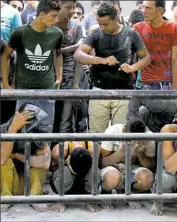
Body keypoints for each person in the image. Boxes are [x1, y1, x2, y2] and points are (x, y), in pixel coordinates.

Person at [74, 2, 151, 133]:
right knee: (96, 135)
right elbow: (78, 54)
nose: (102, 27)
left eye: (105, 24)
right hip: (99, 89)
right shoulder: (96, 34)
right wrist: (101, 60)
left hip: (124, 90)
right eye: (99, 24)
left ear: (115, 19)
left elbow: (147, 58)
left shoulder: (131, 34)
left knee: (121, 135)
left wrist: (132, 67)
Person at [1, 0, 64, 139]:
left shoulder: (57, 33)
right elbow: (5, 56)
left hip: (47, 91)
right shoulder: (20, 32)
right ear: (42, 14)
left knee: (45, 135)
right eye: (54, 16)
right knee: (22, 135)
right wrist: (5, 83)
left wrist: (59, 76)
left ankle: (42, 161)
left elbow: (58, 53)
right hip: (24, 91)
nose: (57, 19)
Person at [1, 104, 52, 212]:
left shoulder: (38, 132)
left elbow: (45, 162)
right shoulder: (4, 129)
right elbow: (2, 159)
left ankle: (35, 197)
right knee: (4, 161)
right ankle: (6, 197)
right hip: (12, 184)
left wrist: (15, 155)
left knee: (40, 160)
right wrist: (13, 128)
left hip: (29, 185)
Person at [100, 119, 155, 209]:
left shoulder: (149, 137)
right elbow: (102, 163)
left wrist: (140, 154)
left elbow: (151, 166)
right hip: (113, 166)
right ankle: (107, 192)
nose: (132, 141)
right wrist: (121, 153)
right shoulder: (113, 131)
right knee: (112, 178)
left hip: (133, 167)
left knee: (147, 179)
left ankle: (131, 192)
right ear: (123, 129)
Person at [56, 0, 89, 134]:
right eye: (68, 7)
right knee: (58, 118)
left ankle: (76, 152)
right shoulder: (52, 23)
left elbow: (79, 55)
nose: (72, 11)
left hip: (72, 77)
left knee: (72, 118)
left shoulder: (76, 25)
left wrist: (75, 86)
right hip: (54, 77)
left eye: (74, 7)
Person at [134, 0, 177, 90]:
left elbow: (175, 60)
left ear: (159, 10)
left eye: (148, 8)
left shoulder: (174, 28)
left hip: (166, 80)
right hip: (145, 82)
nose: (143, 11)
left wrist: (175, 90)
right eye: (143, 7)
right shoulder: (138, 28)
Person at [50, 146, 101, 212]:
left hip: (85, 185)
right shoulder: (64, 148)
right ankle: (62, 200)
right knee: (64, 172)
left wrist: (91, 163)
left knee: (95, 172)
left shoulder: (91, 147)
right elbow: (52, 167)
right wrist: (65, 163)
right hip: (66, 186)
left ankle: (90, 200)